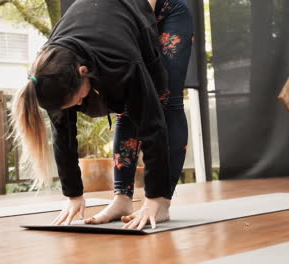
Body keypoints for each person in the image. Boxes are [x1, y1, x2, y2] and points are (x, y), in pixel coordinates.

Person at [11, 0, 193, 230]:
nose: (79, 105)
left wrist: (155, 197)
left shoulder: (121, 60)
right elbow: (63, 135)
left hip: (165, 10)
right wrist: (73, 195)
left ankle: (162, 203)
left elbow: (152, 125)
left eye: (77, 100)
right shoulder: (51, 71)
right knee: (125, 106)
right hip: (117, 20)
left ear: (83, 72)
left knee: (165, 100)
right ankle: (122, 201)